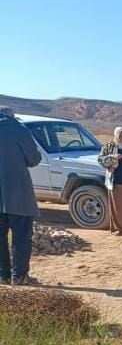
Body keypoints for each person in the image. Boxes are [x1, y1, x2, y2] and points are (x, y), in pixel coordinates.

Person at [0, 106, 42, 285]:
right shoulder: (19, 130)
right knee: (21, 236)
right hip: (17, 192)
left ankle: (2, 274)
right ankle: (18, 276)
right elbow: (34, 159)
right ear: (11, 116)